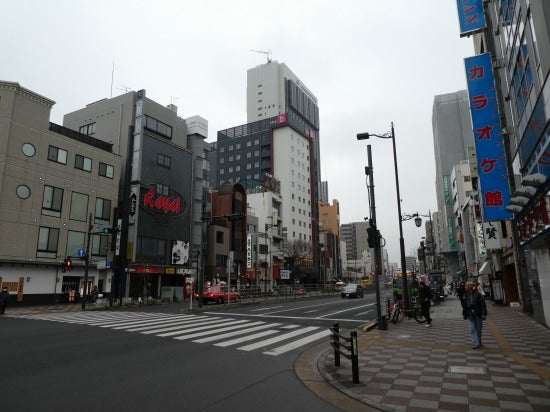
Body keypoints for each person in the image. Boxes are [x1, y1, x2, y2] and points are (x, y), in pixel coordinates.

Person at [463, 281, 487, 349]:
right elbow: (464, 306)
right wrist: (464, 314)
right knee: (472, 329)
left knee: (478, 329)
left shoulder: (477, 294)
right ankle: (475, 343)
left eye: (466, 286)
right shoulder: (465, 295)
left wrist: (483, 313)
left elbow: (482, 304)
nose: (465, 287)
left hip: (478, 314)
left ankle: (479, 341)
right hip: (470, 314)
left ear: (470, 287)